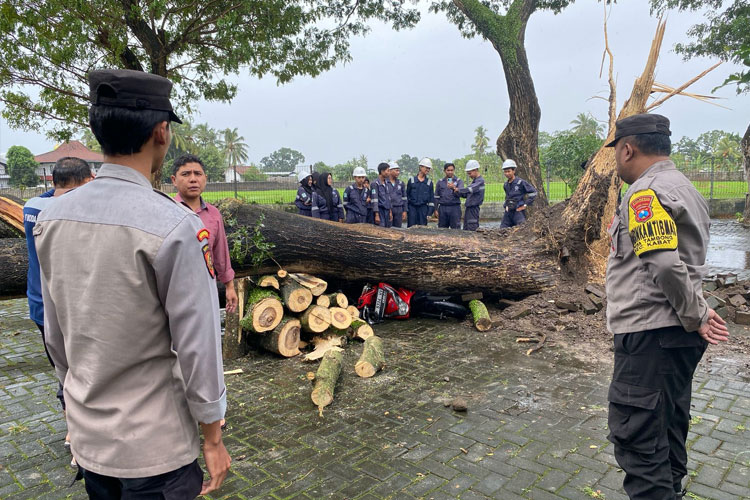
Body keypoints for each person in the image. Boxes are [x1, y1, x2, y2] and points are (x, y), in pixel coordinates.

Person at [35, 69, 230, 499]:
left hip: (90, 439)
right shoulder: (175, 225)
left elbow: (56, 332)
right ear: (161, 131)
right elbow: (198, 345)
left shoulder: (52, 218)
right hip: (154, 449)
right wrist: (213, 437)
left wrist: (74, 404)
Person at [604, 113, 729, 500]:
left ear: (628, 149)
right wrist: (698, 312)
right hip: (673, 337)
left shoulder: (645, 192)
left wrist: (697, 314)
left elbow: (662, 262)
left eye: (616, 154)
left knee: (640, 446)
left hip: (650, 336)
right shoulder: (686, 187)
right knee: (667, 435)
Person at [23, 156, 94, 459]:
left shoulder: (31, 207)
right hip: (75, 306)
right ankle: (84, 434)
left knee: (63, 370)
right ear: (88, 181)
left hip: (40, 304)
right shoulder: (78, 210)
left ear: (52, 181)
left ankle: (73, 431)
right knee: (85, 370)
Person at [171, 153, 238, 314]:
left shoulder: (213, 214)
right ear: (174, 180)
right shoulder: (168, 211)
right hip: (173, 291)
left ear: (205, 178)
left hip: (206, 289)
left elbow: (220, 253)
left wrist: (229, 286)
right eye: (185, 174)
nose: (193, 179)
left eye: (198, 174)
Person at [499, 159, 537, 228]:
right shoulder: (505, 185)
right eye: (505, 172)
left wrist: (525, 205)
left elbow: (533, 192)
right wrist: (506, 206)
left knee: (521, 229)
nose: (507, 173)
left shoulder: (520, 182)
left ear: (514, 171)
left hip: (518, 211)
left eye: (508, 171)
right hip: (508, 212)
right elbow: (507, 197)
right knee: (502, 229)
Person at [454, 159, 485, 231]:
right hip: (469, 209)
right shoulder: (474, 181)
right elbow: (466, 194)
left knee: (472, 228)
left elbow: (470, 189)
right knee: (466, 229)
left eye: (470, 173)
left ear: (475, 170)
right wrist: (456, 191)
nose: (469, 175)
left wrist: (458, 189)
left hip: (473, 209)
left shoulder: (480, 181)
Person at [434, 162, 464, 229]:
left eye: (452, 170)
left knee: (456, 229)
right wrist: (435, 209)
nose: (450, 172)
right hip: (443, 208)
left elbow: (461, 193)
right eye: (448, 170)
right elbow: (436, 197)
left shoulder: (459, 181)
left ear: (454, 170)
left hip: (455, 208)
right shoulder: (440, 182)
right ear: (444, 171)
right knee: (442, 229)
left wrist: (454, 188)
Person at [406, 158, 435, 227]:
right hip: (412, 209)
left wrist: (429, 213)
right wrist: (406, 210)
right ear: (421, 167)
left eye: (429, 168)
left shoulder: (429, 183)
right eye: (426, 168)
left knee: (423, 228)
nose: (428, 170)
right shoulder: (412, 180)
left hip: (423, 209)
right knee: (411, 228)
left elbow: (431, 199)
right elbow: (407, 196)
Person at [371, 162, 392, 227]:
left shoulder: (387, 183)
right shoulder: (375, 183)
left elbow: (389, 198)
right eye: (387, 171)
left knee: (388, 228)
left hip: (387, 210)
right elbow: (374, 199)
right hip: (380, 211)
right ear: (382, 171)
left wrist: (390, 212)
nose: (389, 173)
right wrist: (377, 215)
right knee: (381, 228)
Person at [388, 162, 407, 228]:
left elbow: (404, 198)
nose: (398, 172)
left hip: (399, 209)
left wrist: (404, 211)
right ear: (390, 171)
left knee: (398, 229)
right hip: (389, 209)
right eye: (396, 170)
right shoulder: (385, 183)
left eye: (398, 170)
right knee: (388, 228)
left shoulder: (401, 183)